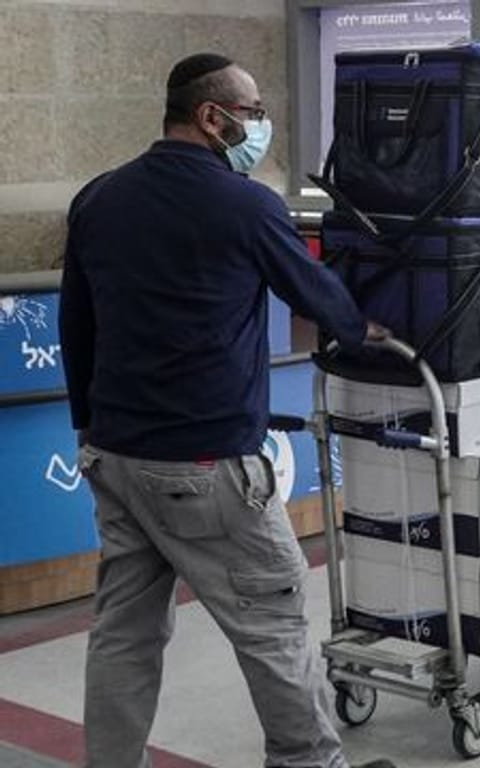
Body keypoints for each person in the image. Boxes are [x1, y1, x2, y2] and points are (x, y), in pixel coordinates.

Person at [59, 53, 395, 768]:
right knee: (272, 623)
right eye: (251, 109)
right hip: (208, 466)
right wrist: (367, 327)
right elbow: (315, 294)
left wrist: (88, 427)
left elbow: (77, 322)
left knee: (123, 633)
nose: (260, 123)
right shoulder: (245, 205)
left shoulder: (100, 198)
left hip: (115, 456)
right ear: (211, 117)